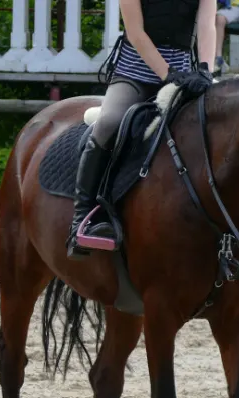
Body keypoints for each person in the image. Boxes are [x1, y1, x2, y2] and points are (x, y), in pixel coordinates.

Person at [66, 0, 217, 260]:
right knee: (109, 123)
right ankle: (83, 218)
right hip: (134, 73)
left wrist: (204, 69)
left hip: (185, 73)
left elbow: (206, 24)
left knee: (219, 122)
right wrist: (166, 73)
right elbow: (135, 32)